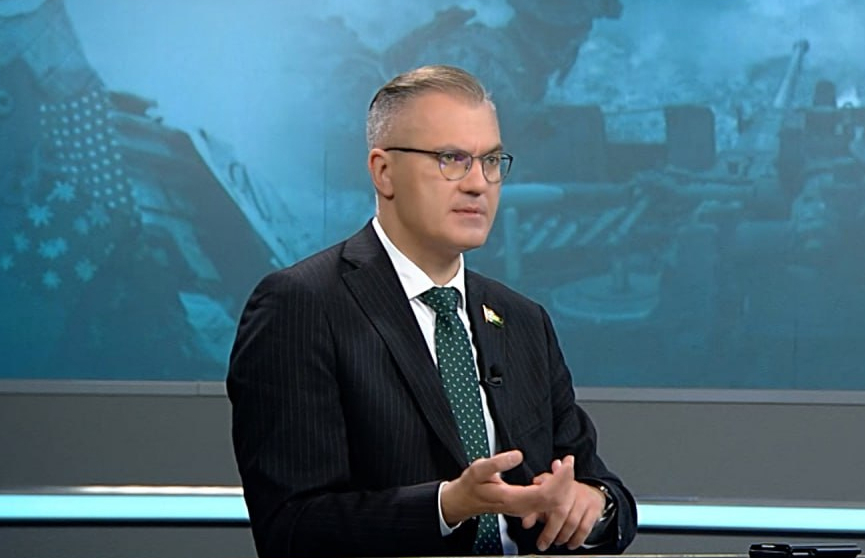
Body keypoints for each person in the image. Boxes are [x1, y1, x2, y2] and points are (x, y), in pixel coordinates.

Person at [227, 65, 637, 557]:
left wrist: (593, 506)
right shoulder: (301, 305)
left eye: (491, 161)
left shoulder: (523, 320)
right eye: (451, 159)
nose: (478, 183)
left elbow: (603, 488)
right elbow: (290, 528)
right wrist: (447, 506)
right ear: (383, 172)